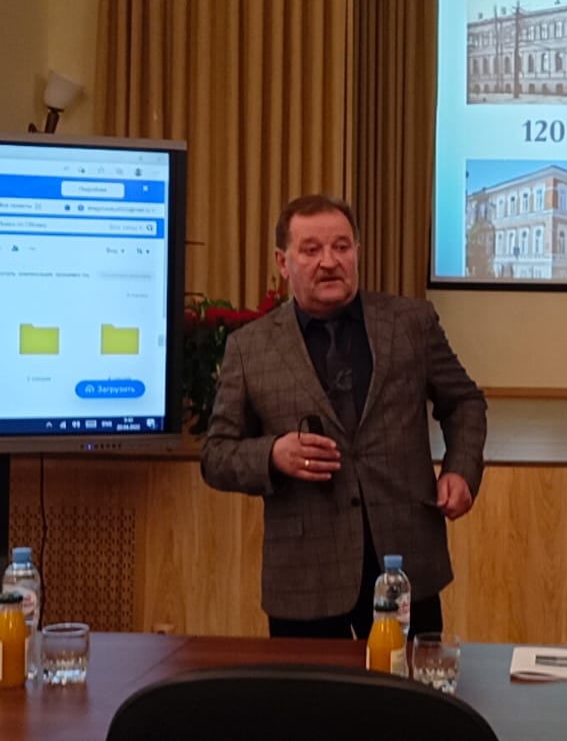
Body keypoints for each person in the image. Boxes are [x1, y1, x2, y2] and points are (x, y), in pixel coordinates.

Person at [201, 193, 487, 639]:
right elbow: (216, 455)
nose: (329, 262)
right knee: (312, 689)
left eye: (341, 247)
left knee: (410, 685)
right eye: (311, 250)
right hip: (306, 577)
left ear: (357, 251)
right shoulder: (249, 348)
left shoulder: (410, 323)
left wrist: (460, 470)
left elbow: (464, 401)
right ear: (282, 262)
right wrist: (273, 454)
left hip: (405, 563)